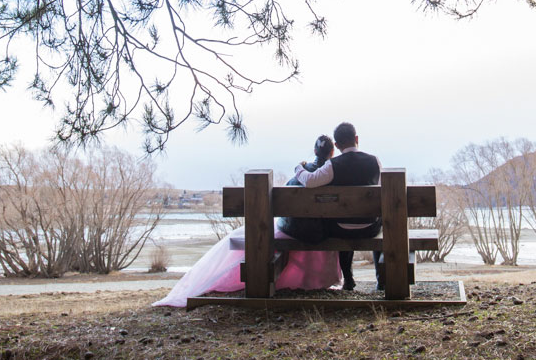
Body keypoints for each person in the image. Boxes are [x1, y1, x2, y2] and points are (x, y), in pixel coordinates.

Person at [151, 134, 342, 308]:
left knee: (286, 229)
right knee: (318, 229)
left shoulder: (301, 174)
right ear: (332, 152)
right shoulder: (331, 175)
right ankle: (320, 280)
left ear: (315, 151)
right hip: (319, 234)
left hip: (294, 230)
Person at [291, 121, 382, 291]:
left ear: (337, 145)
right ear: (356, 138)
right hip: (370, 227)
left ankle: (348, 279)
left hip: (341, 228)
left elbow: (309, 181)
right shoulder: (374, 161)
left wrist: (298, 168)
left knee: (341, 220)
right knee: (382, 220)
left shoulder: (333, 165)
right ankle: (381, 279)